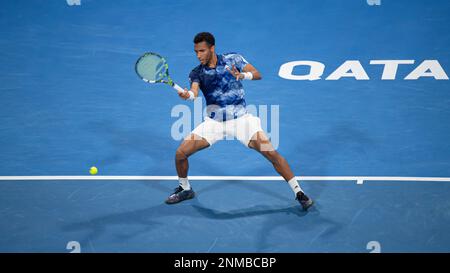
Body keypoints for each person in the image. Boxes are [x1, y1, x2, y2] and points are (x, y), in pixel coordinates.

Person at [165, 32, 313, 211]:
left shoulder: (232, 59)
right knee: (181, 153)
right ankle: (185, 189)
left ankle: (299, 192)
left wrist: (243, 76)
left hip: (242, 120)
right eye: (196, 51)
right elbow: (193, 94)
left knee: (272, 154)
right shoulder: (197, 73)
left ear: (212, 48)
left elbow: (257, 74)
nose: (198, 55)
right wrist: (186, 95)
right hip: (214, 124)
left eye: (202, 51)